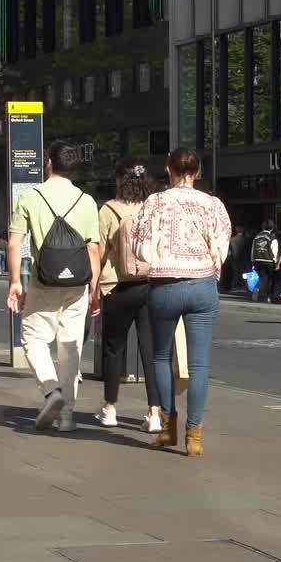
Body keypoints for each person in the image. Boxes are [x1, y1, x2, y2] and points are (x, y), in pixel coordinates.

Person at [134, 148, 231, 457]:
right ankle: (194, 436)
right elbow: (222, 245)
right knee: (199, 363)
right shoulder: (213, 204)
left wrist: (160, 257)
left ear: (169, 169)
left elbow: (140, 247)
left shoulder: (155, 202)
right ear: (197, 172)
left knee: (161, 357)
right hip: (202, 286)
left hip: (165, 286)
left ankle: (167, 428)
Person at [6, 140, 103, 432]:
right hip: (78, 284)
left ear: (49, 163)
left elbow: (14, 244)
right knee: (70, 346)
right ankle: (67, 417)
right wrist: (94, 290)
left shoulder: (30, 197)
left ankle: (51, 390)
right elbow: (93, 249)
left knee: (33, 338)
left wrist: (15, 282)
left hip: (44, 280)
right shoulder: (86, 201)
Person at [96, 157, 162, 433]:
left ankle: (110, 408)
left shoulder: (109, 209)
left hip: (116, 286)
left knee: (113, 348)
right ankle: (154, 413)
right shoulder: (154, 207)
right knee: (151, 350)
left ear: (119, 180)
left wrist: (93, 288)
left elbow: (99, 252)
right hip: (151, 284)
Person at [249, 220, 281, 302]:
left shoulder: (256, 237)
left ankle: (258, 289)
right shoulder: (272, 238)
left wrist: (252, 260)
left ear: (263, 227)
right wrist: (276, 261)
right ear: (272, 228)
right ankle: (268, 296)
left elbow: (252, 249)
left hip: (257, 260)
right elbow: (275, 250)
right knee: (270, 278)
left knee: (261, 277)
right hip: (268, 260)